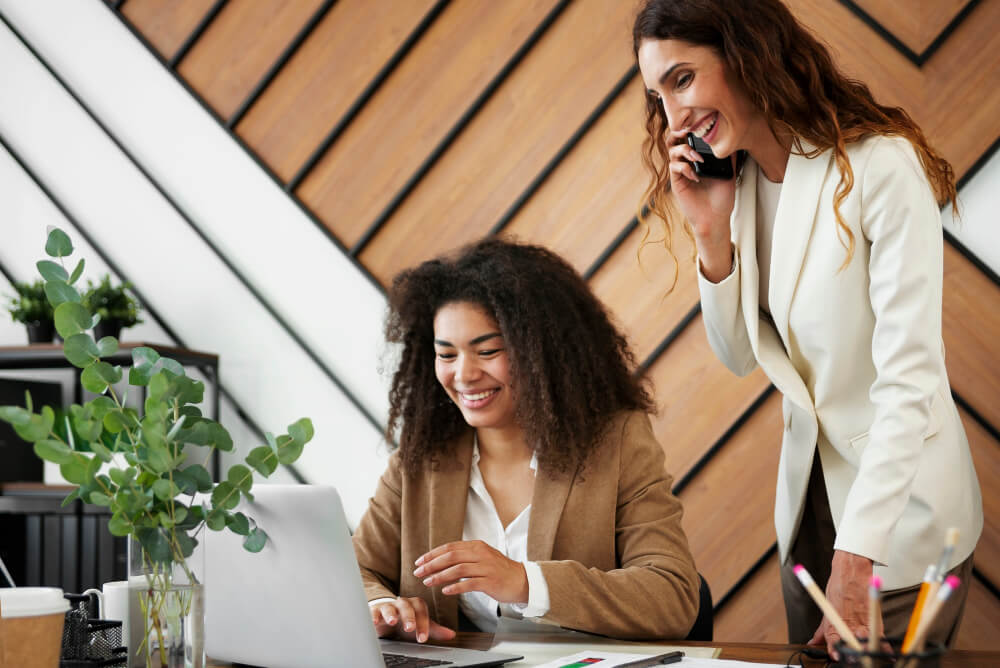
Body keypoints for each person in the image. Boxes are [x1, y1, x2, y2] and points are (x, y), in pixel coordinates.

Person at [632, 0, 982, 658]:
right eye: (657, 94)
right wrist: (711, 234)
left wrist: (857, 561)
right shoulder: (737, 184)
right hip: (810, 511)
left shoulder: (880, 166)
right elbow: (739, 357)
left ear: (747, 52)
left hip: (895, 519)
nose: (673, 117)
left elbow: (911, 382)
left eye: (682, 79)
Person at [352, 238, 700, 642]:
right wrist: (381, 605)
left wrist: (525, 582)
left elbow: (672, 595)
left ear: (542, 352)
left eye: (487, 351)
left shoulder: (617, 442)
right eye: (446, 355)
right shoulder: (422, 455)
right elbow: (356, 569)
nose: (463, 374)